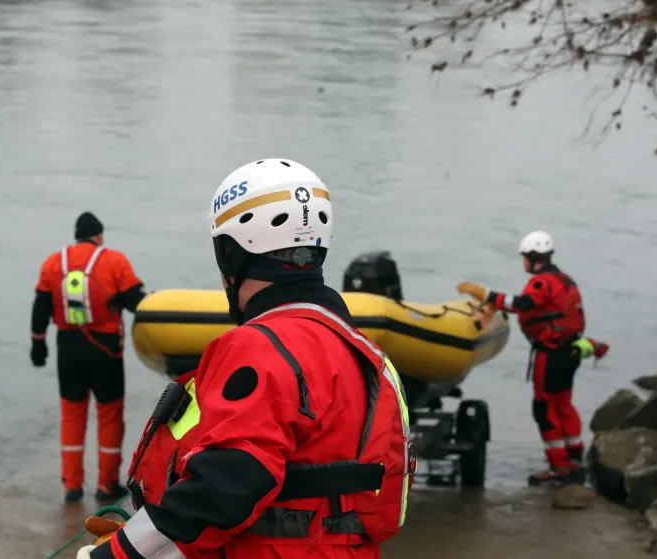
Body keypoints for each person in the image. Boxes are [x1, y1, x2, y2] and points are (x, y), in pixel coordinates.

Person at [85, 159, 415, 559]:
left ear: (229, 254)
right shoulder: (365, 354)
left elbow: (225, 487)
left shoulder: (258, 346)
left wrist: (115, 554)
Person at [456, 230, 609, 486]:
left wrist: (484, 294)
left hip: (550, 353)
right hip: (570, 351)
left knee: (544, 407)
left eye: (525, 257)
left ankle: (558, 465)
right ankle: (574, 458)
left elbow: (522, 304)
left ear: (533, 258)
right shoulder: (564, 279)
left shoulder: (542, 282)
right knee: (563, 404)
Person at [31, 211, 148, 503]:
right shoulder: (114, 261)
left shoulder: (53, 263)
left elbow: (41, 307)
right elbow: (137, 303)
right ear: (99, 236)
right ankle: (107, 485)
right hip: (104, 350)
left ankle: (72, 485)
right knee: (108, 417)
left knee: (72, 416)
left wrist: (38, 343)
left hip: (67, 349)